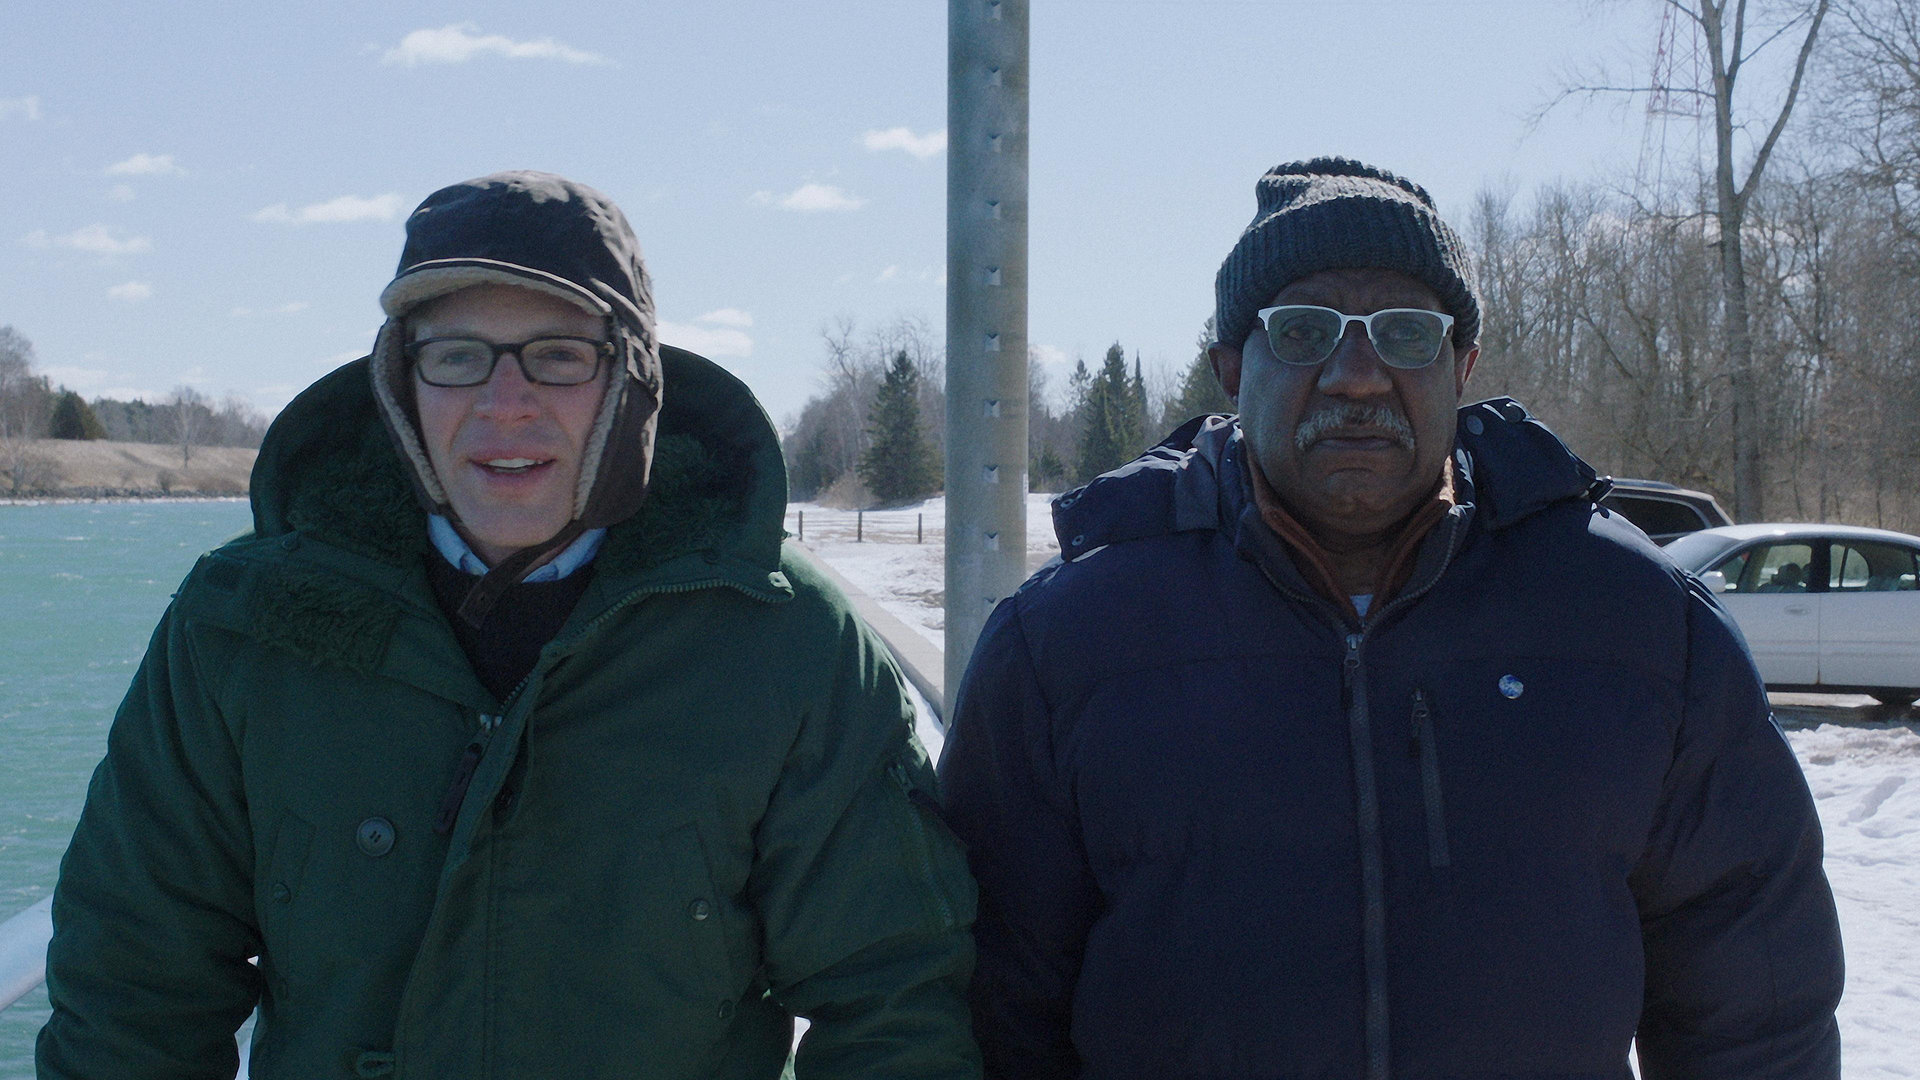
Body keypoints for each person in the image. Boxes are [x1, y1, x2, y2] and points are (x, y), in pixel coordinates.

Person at [39, 172, 980, 1080]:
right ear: (399, 384)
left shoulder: (785, 639)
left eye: (560, 355)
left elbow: (894, 995)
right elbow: (133, 990)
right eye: (456, 357)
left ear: (635, 384)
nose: (504, 403)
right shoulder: (242, 629)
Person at [938, 157, 1843, 1080]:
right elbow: (990, 1011)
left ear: (1462, 368)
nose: (1358, 377)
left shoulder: (1641, 628)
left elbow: (1757, 1014)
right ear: (1228, 367)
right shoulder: (1067, 648)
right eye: (1303, 331)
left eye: (1406, 333)